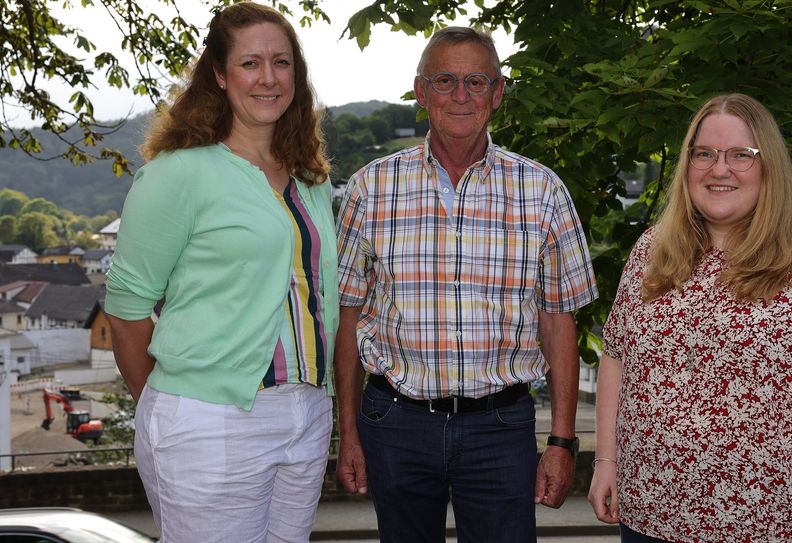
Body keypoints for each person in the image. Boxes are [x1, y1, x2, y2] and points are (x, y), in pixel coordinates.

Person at [334, 26, 598, 543]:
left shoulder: (542, 191)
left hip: (499, 429)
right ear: (420, 91)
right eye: (445, 80)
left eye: (477, 81)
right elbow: (348, 316)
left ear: (497, 94)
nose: (461, 95)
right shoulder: (371, 188)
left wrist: (562, 441)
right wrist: (348, 432)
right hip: (395, 423)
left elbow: (558, 321)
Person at [588, 93, 792, 543]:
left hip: (768, 529)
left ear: (769, 166)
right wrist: (605, 463)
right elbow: (617, 357)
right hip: (647, 518)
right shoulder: (652, 250)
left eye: (741, 155)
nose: (719, 169)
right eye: (703, 153)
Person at [104, 3, 339, 541]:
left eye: (282, 63)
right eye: (250, 63)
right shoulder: (179, 174)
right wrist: (175, 404)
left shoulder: (311, 180)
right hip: (210, 421)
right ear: (219, 74)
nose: (269, 78)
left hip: (306, 413)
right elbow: (126, 312)